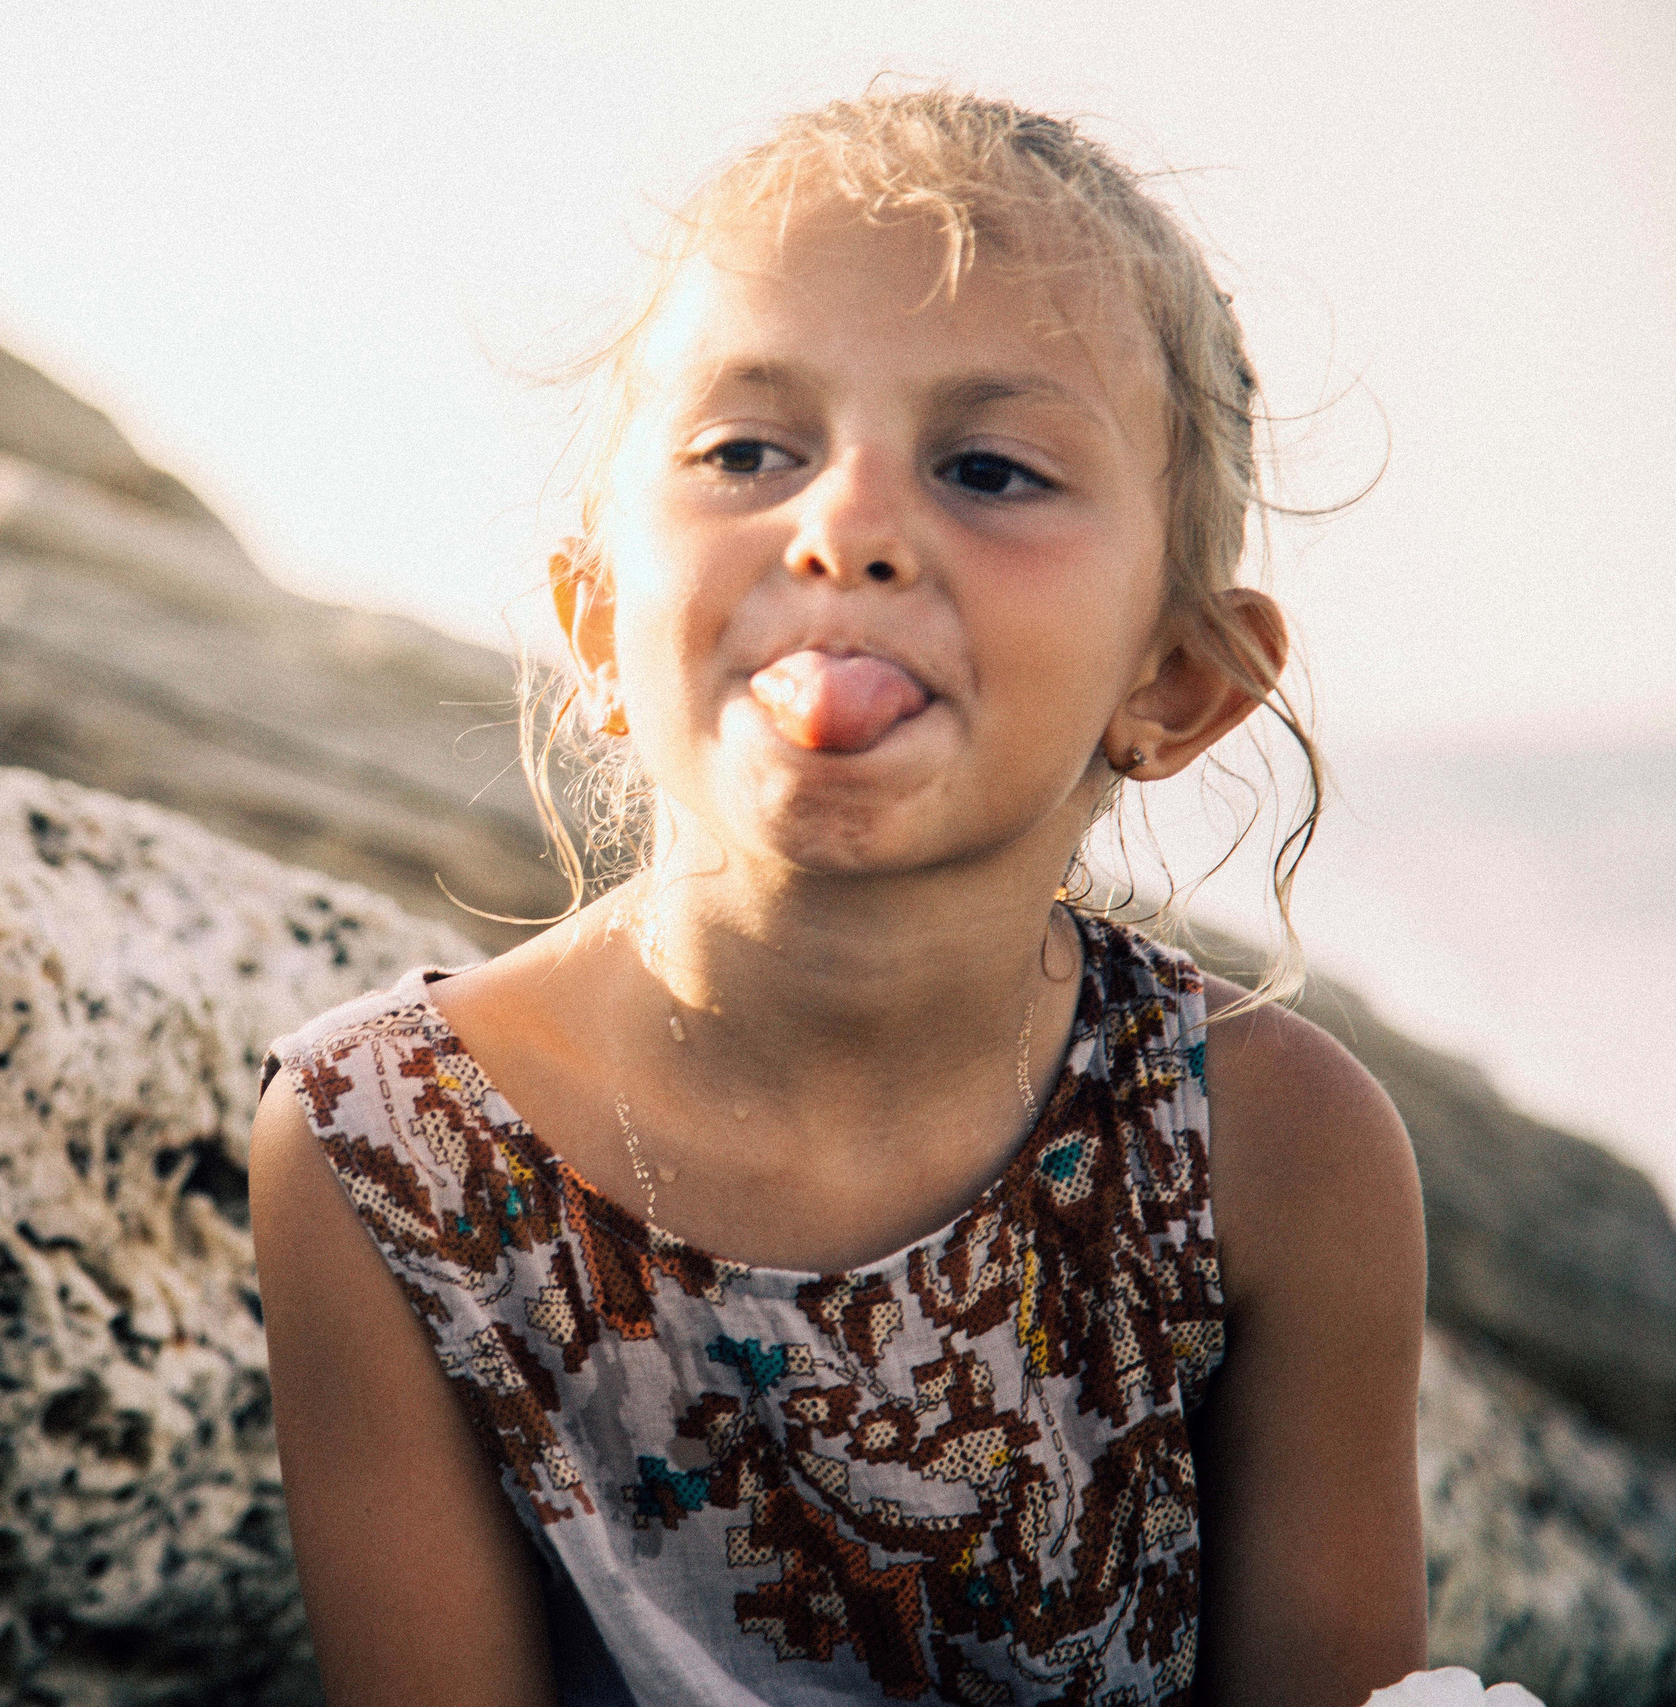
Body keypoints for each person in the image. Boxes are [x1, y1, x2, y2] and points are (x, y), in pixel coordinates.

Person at [249, 88, 1427, 1706]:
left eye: (990, 469)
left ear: (1172, 678)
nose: (850, 526)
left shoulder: (1271, 1153)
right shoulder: (383, 1148)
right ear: (597, 622)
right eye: (747, 450)